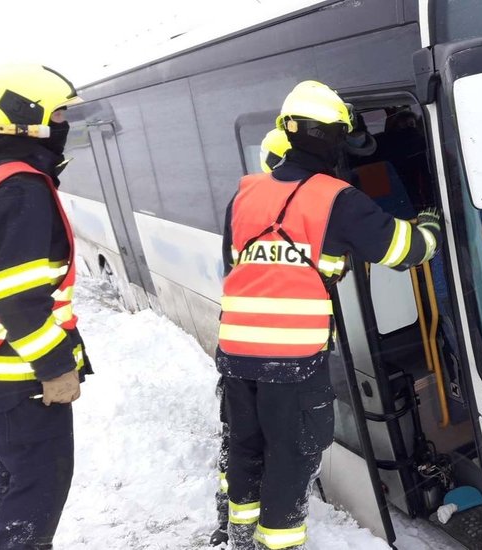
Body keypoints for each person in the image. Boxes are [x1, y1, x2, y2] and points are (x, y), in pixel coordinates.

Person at [218, 81, 440, 550]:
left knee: (245, 445)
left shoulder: (245, 193)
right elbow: (404, 250)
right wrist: (433, 223)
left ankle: (238, 533)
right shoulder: (337, 198)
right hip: (292, 357)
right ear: (339, 139)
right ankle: (277, 543)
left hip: (236, 351)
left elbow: (237, 264)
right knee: (292, 454)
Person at [0, 64, 92, 549]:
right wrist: (54, 368)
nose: (65, 123)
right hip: (19, 373)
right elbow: (18, 298)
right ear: (26, 121)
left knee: (7, 479)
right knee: (37, 493)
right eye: (59, 113)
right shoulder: (21, 188)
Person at [210, 128, 293, 547]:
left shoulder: (242, 202)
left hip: (236, 343)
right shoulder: (289, 206)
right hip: (269, 350)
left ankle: (232, 526)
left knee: (239, 441)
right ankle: (248, 529)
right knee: (267, 442)